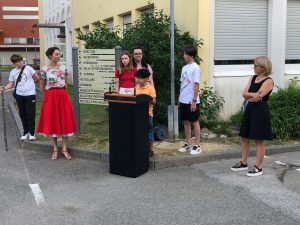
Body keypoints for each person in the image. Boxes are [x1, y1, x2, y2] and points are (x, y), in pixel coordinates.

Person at [231, 56, 274, 177]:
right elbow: (244, 94)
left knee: (258, 140)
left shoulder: (268, 81)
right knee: (245, 137)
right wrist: (252, 95)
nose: (253, 67)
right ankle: (243, 162)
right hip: (250, 109)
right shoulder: (253, 78)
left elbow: (258, 97)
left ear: (263, 67)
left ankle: (258, 167)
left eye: (256, 66)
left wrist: (252, 95)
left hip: (260, 111)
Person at [37, 47, 77, 160]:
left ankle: (64, 149)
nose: (59, 56)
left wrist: (63, 89)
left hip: (62, 95)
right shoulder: (44, 69)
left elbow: (66, 81)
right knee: (52, 121)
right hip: (50, 96)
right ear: (50, 56)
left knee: (65, 120)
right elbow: (41, 85)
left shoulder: (63, 67)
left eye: (59, 54)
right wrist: (47, 96)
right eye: (56, 54)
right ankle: (55, 149)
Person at [0, 54, 39, 140]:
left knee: (30, 114)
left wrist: (30, 85)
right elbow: (11, 84)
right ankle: (25, 132)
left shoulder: (29, 68)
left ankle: (32, 133)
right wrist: (4, 88)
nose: (21, 63)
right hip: (19, 95)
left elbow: (36, 78)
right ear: (14, 63)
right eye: (18, 62)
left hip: (30, 95)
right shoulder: (13, 72)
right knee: (22, 114)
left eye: (21, 61)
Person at [177, 46, 202, 155]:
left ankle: (197, 145)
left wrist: (194, 101)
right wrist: (179, 98)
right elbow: (182, 84)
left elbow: (196, 85)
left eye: (185, 54)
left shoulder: (196, 68)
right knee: (185, 121)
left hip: (191, 100)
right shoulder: (184, 68)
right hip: (183, 99)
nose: (184, 56)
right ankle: (188, 143)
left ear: (191, 55)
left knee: (194, 121)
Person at [135, 69, 156, 156]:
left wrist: (148, 98)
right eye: (137, 78)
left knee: (149, 131)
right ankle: (140, 148)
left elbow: (154, 101)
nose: (138, 80)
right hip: (137, 114)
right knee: (139, 132)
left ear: (146, 78)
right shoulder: (136, 87)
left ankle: (150, 150)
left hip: (148, 114)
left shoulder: (150, 88)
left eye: (140, 78)